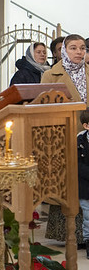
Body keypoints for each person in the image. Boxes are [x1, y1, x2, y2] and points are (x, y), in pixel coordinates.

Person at [41, 34, 88, 247]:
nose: (79, 52)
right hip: (65, 136)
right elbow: (43, 107)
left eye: (82, 48)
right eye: (73, 48)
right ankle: (71, 234)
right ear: (64, 51)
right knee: (68, 184)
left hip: (87, 136)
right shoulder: (51, 75)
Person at [77, 108, 89, 258]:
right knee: (87, 216)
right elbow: (78, 165)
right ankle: (88, 241)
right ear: (86, 126)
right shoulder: (80, 141)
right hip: (86, 187)